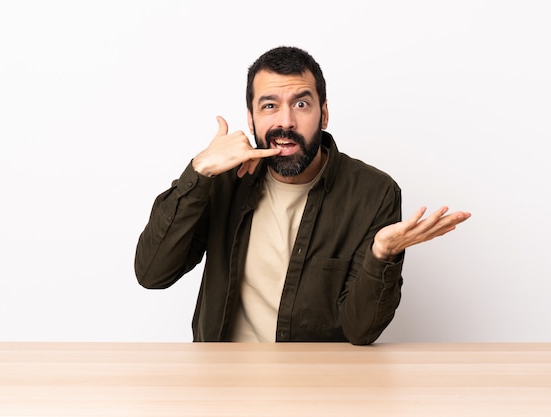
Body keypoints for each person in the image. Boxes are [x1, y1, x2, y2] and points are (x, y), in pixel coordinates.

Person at [134, 46, 471, 345]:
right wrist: (200, 170)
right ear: (250, 119)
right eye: (269, 105)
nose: (286, 121)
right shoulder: (221, 181)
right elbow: (153, 273)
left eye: (301, 103)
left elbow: (360, 331)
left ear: (323, 113)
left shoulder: (373, 193)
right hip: (223, 384)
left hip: (316, 389)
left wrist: (382, 255)